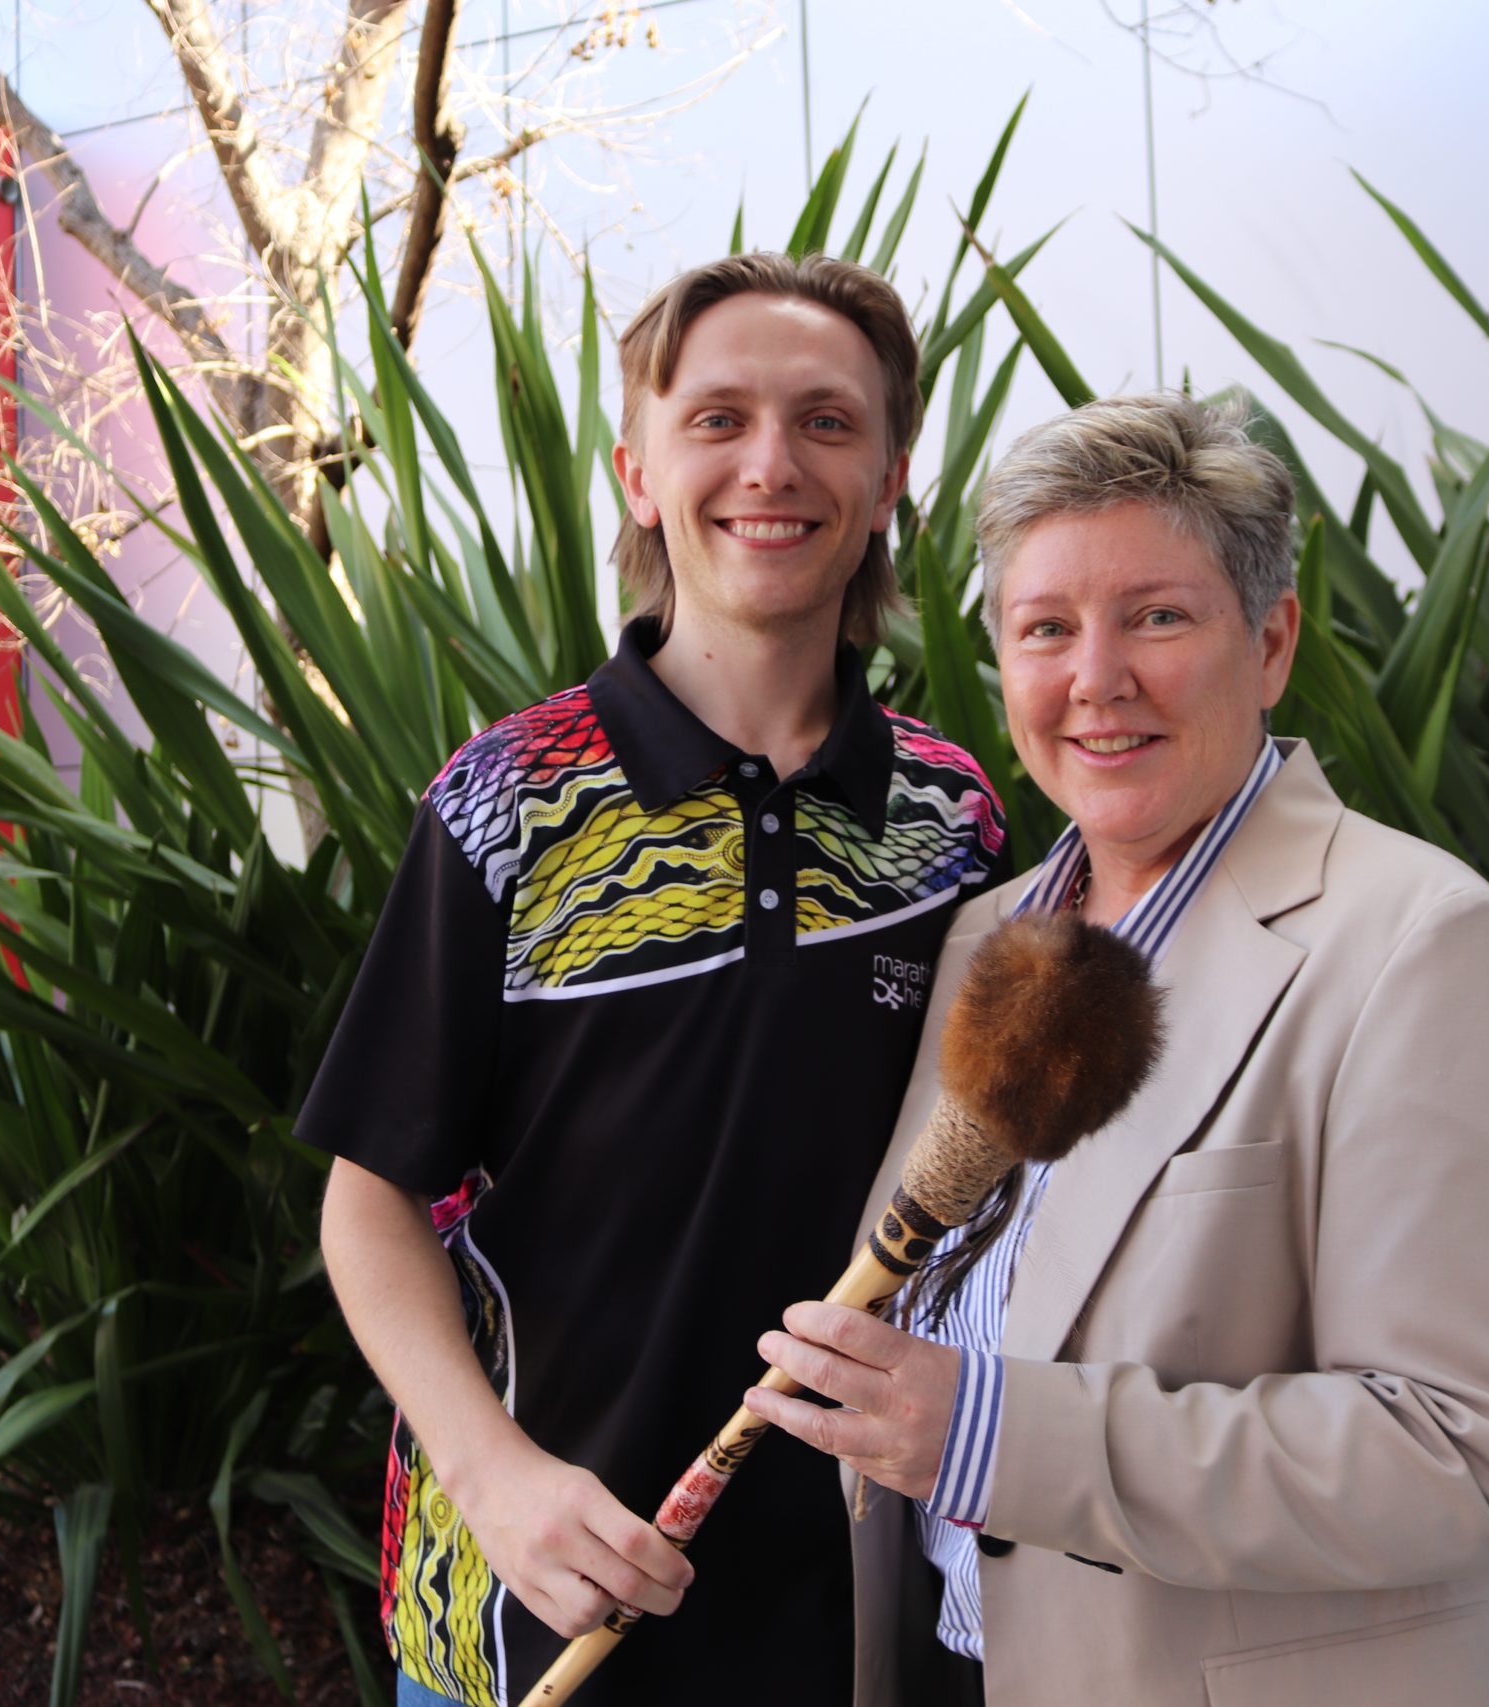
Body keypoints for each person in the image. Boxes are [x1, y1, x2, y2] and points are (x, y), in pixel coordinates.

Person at [743, 393, 1489, 1706]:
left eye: (1158, 617)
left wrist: (987, 1434)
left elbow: (1480, 1449)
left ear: (1274, 639)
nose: (1097, 678)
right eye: (1046, 629)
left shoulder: (1428, 949)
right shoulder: (983, 942)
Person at [303, 252, 1008, 1707]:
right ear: (638, 472)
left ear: (887, 485)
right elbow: (368, 1198)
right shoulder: (509, 800)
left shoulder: (953, 822)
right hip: (525, 1611)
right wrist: (495, 1480)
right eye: (718, 419)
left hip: (856, 1623)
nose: (771, 463)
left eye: (827, 421)